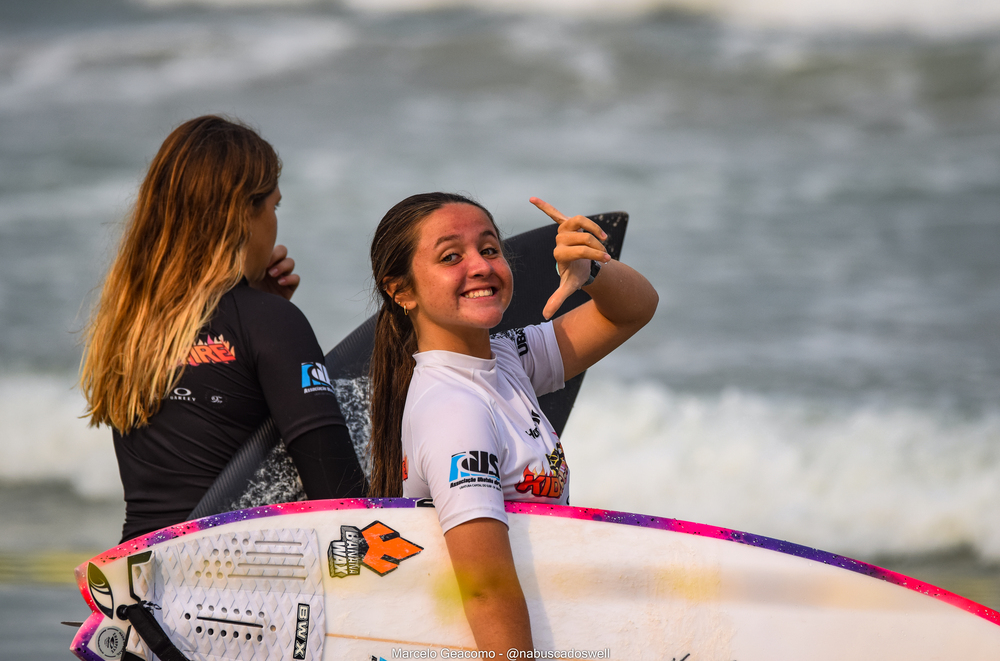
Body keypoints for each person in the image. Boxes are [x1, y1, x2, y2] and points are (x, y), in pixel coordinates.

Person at [367, 192, 657, 655]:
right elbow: (486, 588)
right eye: (450, 257)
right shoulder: (453, 409)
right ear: (402, 291)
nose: (480, 266)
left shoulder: (504, 358)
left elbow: (634, 309)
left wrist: (591, 270)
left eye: (489, 249)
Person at [79, 115, 365, 542]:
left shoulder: (130, 326)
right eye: (274, 205)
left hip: (139, 584)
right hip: (236, 589)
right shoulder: (268, 321)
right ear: (243, 213)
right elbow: (341, 499)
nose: (275, 221)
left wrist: (258, 309)